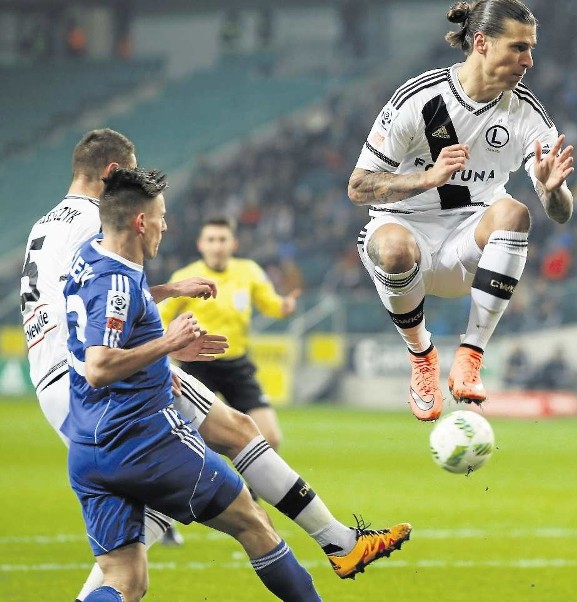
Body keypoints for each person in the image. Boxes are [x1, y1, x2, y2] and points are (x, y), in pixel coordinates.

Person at [20, 129, 410, 599]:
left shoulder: (45, 225)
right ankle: (337, 543)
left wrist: (164, 297)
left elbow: (87, 297)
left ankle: (338, 541)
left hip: (57, 382)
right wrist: (161, 344)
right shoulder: (95, 220)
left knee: (131, 559)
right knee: (238, 483)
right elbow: (107, 310)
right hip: (100, 377)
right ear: (112, 176)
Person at [63, 167, 322, 602]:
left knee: (125, 581)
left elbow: (117, 301)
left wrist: (167, 289)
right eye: (161, 216)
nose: (166, 225)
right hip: (140, 439)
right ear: (140, 222)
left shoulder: (91, 254)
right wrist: (168, 342)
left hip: (87, 446)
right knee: (253, 521)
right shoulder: (118, 284)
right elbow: (100, 365)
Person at [348, 0, 574, 421]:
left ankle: (471, 355)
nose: (529, 60)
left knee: (516, 213)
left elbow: (559, 213)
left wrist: (553, 189)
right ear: (483, 43)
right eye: (519, 48)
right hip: (405, 229)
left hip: (470, 243)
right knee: (394, 248)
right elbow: (359, 187)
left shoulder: (527, 114)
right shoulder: (419, 99)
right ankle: (422, 356)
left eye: (531, 49)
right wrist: (426, 179)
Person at [159, 218, 300, 453]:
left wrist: (283, 307)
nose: (217, 246)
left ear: (233, 244)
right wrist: (167, 346)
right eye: (211, 240)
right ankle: (205, 487)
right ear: (200, 245)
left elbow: (269, 303)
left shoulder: (249, 271)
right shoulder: (186, 277)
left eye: (222, 240)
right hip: (196, 366)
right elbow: (162, 315)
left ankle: (250, 491)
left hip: (236, 365)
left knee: (270, 437)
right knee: (189, 442)